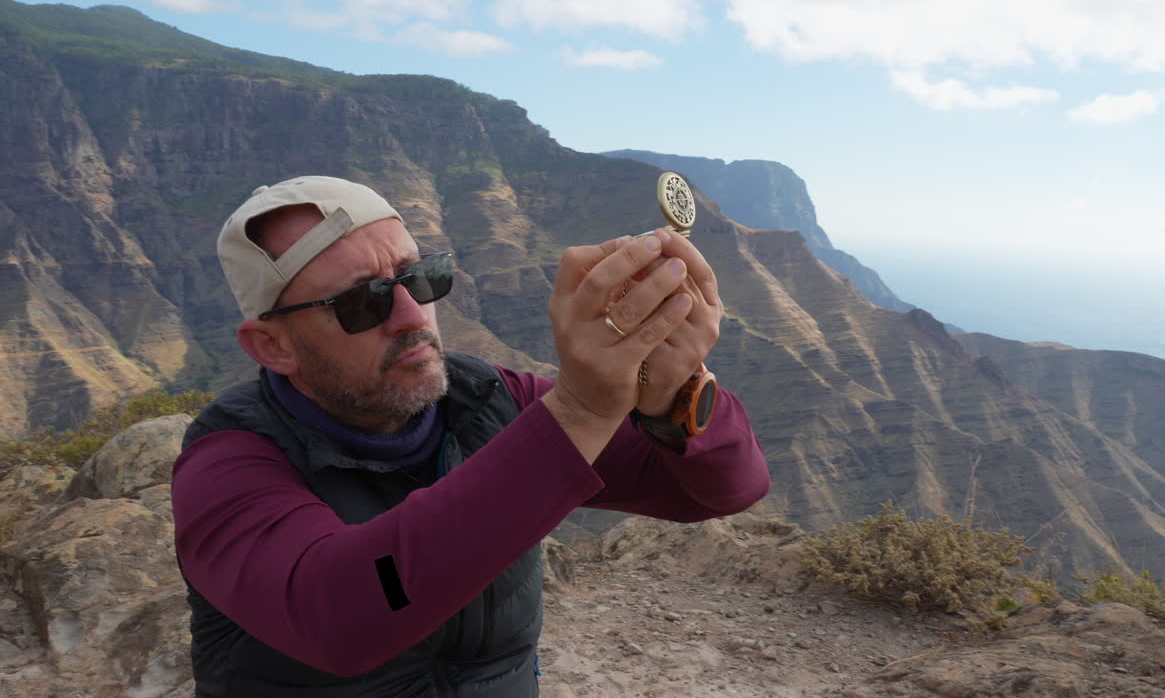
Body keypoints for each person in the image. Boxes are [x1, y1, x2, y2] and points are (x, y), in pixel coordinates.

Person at [170, 175, 770, 697]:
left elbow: (722, 490)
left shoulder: (489, 401)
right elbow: (336, 615)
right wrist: (581, 412)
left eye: (420, 277)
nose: (412, 317)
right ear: (273, 347)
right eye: (362, 302)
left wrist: (673, 395)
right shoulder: (228, 462)